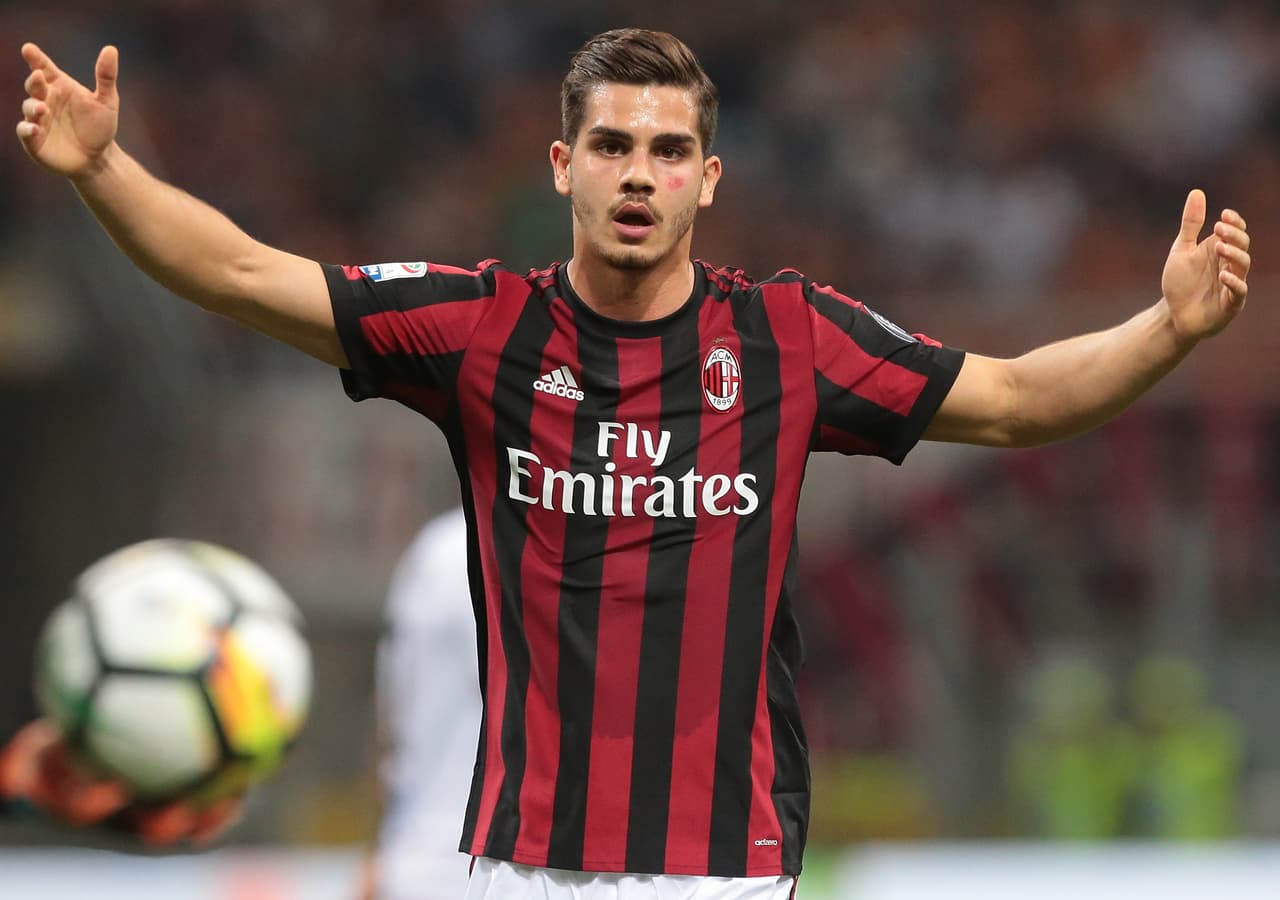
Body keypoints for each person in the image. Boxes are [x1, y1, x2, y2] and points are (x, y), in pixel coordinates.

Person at [13, 26, 1251, 899]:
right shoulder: (477, 329)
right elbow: (237, 272)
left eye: (667, 154)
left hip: (725, 872)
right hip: (514, 871)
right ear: (564, 167)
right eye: (611, 146)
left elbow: (1021, 400)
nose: (638, 177)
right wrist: (105, 171)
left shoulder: (787, 338)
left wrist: (1167, 329)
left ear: (707, 181)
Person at [361, 507, 481, 900]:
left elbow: (393, 726)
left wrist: (381, 847)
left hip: (415, 859)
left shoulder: (436, 548)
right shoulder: (569, 546)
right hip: (512, 869)